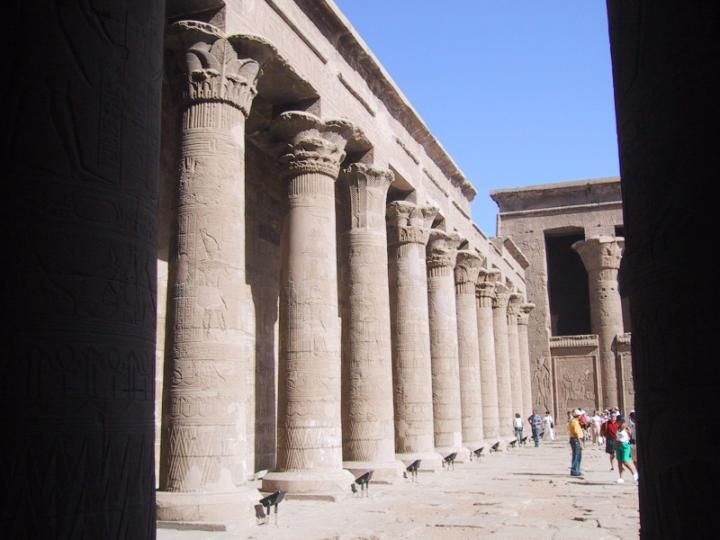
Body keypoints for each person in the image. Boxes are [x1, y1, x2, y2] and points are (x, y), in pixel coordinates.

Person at [614, 415, 638, 483]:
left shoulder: (626, 428)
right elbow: (617, 437)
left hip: (625, 445)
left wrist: (630, 436)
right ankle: (621, 477)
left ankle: (635, 475)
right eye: (619, 422)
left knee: (626, 461)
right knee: (619, 461)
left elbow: (631, 437)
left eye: (622, 422)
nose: (621, 423)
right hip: (618, 446)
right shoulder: (618, 428)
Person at [568, 408, 583, 476]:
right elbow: (576, 433)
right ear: (578, 416)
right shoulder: (574, 422)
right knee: (576, 455)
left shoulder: (574, 421)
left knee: (578, 455)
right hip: (576, 439)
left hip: (574, 439)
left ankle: (577, 470)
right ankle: (574, 470)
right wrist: (580, 442)